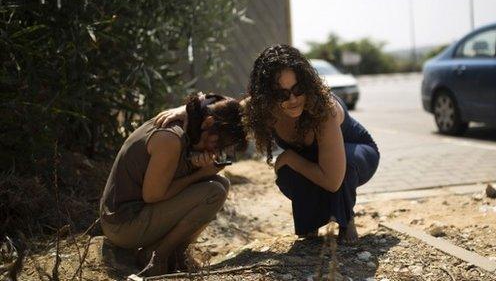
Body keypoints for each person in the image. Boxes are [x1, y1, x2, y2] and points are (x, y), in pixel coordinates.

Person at [156, 45, 380, 243]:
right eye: (281, 94)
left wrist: (289, 157)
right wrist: (187, 110)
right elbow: (225, 112)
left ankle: (346, 219)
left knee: (341, 167)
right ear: (267, 95)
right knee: (289, 175)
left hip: (357, 150)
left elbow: (332, 181)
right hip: (316, 159)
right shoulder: (263, 107)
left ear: (308, 84)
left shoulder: (324, 110)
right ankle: (311, 223)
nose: (292, 99)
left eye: (297, 89)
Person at [99, 93, 247, 276]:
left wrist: (195, 164)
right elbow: (152, 195)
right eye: (217, 144)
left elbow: (223, 108)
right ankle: (157, 256)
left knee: (221, 183)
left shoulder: (195, 126)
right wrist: (199, 173)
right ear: (208, 123)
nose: (215, 152)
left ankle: (174, 253)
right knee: (214, 191)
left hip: (141, 214)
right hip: (123, 225)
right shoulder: (170, 139)